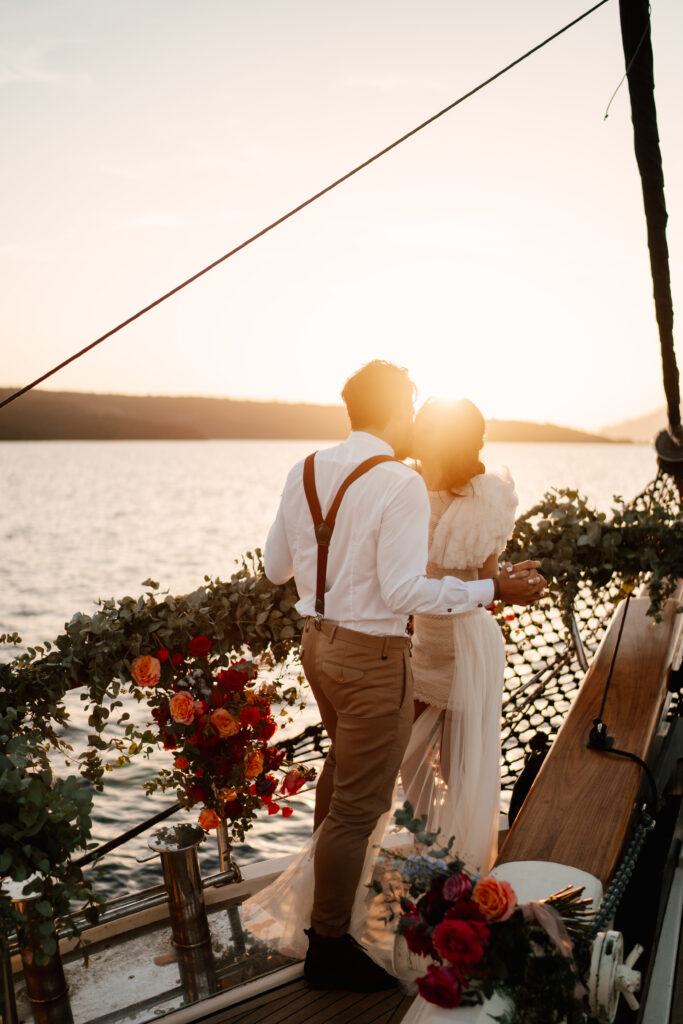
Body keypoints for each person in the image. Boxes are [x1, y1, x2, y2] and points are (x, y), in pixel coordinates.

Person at [258, 360, 545, 992]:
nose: (417, 420)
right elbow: (404, 589)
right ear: (395, 409)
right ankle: (328, 946)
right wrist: (492, 586)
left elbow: (277, 568)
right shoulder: (398, 483)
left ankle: (320, 906)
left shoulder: (303, 468)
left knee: (340, 778)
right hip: (372, 660)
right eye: (412, 408)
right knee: (360, 808)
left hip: (317, 648)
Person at [400, 397, 518, 875]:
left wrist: (502, 580)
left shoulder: (424, 492)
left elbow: (482, 579)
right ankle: (441, 852)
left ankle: (454, 864)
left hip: (461, 642)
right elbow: (486, 579)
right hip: (440, 640)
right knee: (427, 759)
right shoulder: (418, 491)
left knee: (439, 764)